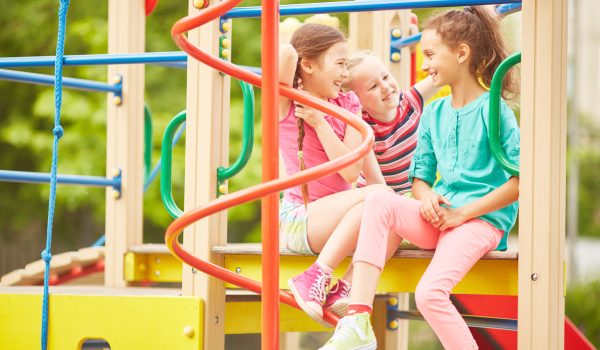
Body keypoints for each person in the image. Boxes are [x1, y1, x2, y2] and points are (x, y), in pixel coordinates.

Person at [320, 6, 520, 350]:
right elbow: (420, 178)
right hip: (440, 214)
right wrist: (426, 196)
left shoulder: (494, 110)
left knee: (429, 294)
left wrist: (462, 213)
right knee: (379, 199)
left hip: (480, 221)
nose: (425, 65)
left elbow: (521, 182)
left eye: (430, 55)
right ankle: (356, 320)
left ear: (461, 53)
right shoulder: (435, 111)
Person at [279, 23, 391, 324]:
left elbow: (351, 170)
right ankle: (315, 276)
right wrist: (300, 45)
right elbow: (286, 53)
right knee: (381, 197)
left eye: (346, 63)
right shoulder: (286, 102)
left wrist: (320, 121)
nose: (345, 74)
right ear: (308, 65)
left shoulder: (347, 103)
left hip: (341, 219)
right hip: (299, 220)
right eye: (339, 64)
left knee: (394, 209)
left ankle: (344, 287)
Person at [344, 51, 438, 194]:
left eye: (386, 76)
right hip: (378, 194)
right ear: (357, 101)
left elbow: (441, 76)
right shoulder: (365, 130)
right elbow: (376, 183)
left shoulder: (410, 102)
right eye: (373, 86)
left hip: (414, 192)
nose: (385, 86)